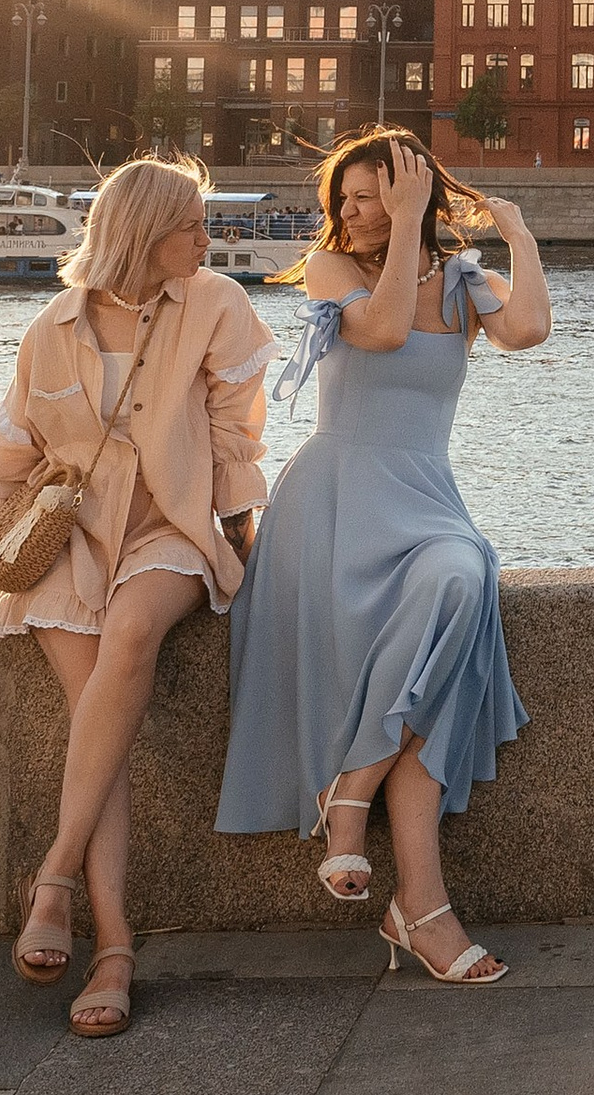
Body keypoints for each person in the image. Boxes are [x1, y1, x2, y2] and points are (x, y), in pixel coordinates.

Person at [0, 156, 271, 1038]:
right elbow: (10, 464)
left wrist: (245, 539)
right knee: (101, 724)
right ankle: (117, 949)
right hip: (68, 542)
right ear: (142, 233)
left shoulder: (215, 303)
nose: (207, 241)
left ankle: (52, 876)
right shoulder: (50, 330)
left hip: (169, 525)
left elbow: (234, 438)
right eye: (192, 227)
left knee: (131, 638)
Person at [216, 128, 550, 985]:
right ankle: (424, 911)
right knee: (435, 674)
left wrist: (519, 237)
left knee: (461, 578)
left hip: (422, 499)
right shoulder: (334, 273)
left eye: (374, 195)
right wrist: (404, 227)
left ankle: (350, 789)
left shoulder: (466, 283)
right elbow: (389, 330)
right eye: (350, 198)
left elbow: (533, 331)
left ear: (418, 195)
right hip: (334, 505)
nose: (354, 211)